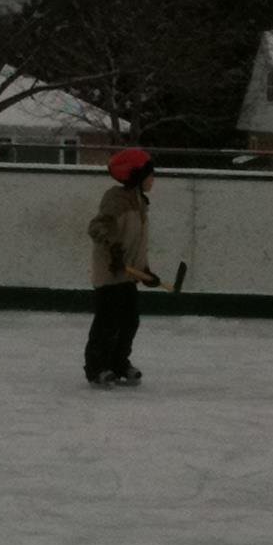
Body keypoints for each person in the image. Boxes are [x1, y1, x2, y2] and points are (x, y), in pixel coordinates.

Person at [83, 147, 161, 388]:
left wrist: (145, 271)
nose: (153, 179)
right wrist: (112, 249)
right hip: (110, 273)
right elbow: (97, 227)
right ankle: (96, 367)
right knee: (107, 321)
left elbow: (136, 243)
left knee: (129, 321)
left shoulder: (140, 203)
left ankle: (118, 363)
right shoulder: (116, 199)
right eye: (150, 175)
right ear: (137, 176)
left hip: (127, 275)